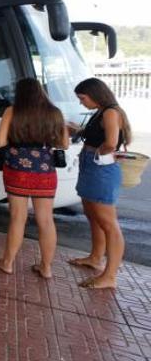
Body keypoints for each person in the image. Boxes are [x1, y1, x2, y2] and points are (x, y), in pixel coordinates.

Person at [0, 78, 68, 279]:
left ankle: (7, 263)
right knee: (45, 220)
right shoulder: (55, 113)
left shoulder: (12, 111)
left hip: (17, 170)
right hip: (44, 172)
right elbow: (64, 144)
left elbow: (0, 142)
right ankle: (46, 267)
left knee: (18, 218)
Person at [67, 78, 133, 289]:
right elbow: (98, 136)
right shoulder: (101, 111)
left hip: (100, 168)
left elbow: (111, 143)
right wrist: (78, 131)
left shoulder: (110, 112)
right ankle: (95, 257)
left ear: (95, 94)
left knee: (108, 223)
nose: (81, 103)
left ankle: (110, 275)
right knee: (93, 215)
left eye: (82, 98)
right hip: (92, 166)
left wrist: (99, 155)